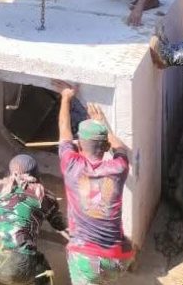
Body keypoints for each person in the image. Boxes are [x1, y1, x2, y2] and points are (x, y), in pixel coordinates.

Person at [53, 82, 134, 285]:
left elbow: (64, 130)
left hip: (87, 258)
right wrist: (103, 124)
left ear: (79, 144)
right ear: (105, 146)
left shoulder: (72, 166)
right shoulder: (118, 168)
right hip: (118, 259)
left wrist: (65, 97)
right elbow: (121, 148)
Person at [0, 153, 66, 284]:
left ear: (9, 172)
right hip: (17, 263)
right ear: (36, 174)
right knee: (44, 274)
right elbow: (60, 225)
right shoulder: (44, 196)